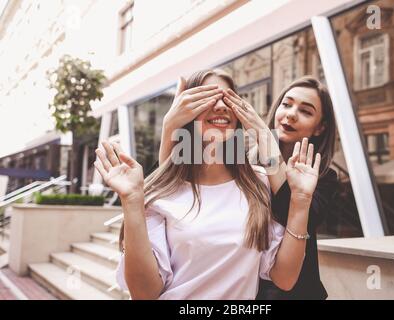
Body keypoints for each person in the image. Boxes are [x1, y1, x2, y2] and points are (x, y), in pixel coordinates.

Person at [94, 69, 322, 299]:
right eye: (208, 97)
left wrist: (300, 201)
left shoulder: (260, 184)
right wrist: (132, 200)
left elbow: (285, 278)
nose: (221, 106)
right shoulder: (159, 191)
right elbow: (144, 293)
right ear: (185, 112)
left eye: (228, 99)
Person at [220, 76, 338, 300]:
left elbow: (295, 217)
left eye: (306, 111)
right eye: (287, 104)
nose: (291, 114)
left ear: (320, 127)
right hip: (240, 289)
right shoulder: (244, 163)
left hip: (295, 293)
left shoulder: (325, 177)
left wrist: (266, 142)